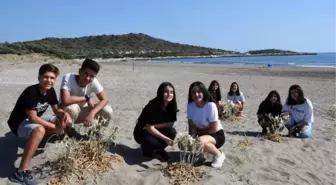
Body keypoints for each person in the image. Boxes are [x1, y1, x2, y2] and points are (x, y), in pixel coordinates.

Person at [7, 64, 72, 185]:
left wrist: (65, 115)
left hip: (34, 119)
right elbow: (32, 118)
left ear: (55, 80)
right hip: (19, 123)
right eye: (45, 77)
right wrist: (54, 128)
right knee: (40, 130)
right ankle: (20, 172)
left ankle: (39, 140)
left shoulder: (50, 91)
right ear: (39, 77)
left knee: (61, 121)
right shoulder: (31, 92)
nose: (49, 80)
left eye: (52, 78)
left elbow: (56, 110)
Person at [60, 58, 113, 126]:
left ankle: (95, 134)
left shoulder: (93, 81)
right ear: (80, 71)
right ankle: (68, 131)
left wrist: (92, 113)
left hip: (82, 112)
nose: (87, 78)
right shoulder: (69, 77)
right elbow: (66, 100)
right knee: (73, 108)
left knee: (107, 110)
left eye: (92, 76)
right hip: (66, 112)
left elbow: (105, 99)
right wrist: (86, 98)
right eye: (86, 74)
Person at [133, 82, 178, 162]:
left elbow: (171, 123)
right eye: (166, 92)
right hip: (142, 131)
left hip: (152, 128)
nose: (169, 94)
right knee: (152, 142)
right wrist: (164, 138)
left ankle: (158, 150)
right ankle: (147, 151)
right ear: (161, 93)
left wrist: (155, 126)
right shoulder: (153, 105)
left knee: (172, 132)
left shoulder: (172, 105)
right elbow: (148, 128)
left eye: (171, 92)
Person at [187, 81, 225, 168]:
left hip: (216, 135)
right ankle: (201, 153)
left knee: (199, 142)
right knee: (192, 142)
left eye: (199, 91)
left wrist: (198, 134)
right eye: (193, 92)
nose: (196, 94)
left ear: (204, 92)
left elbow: (213, 129)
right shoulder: (190, 106)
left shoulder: (210, 106)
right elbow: (191, 125)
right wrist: (190, 139)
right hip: (201, 134)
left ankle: (219, 154)